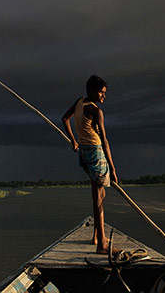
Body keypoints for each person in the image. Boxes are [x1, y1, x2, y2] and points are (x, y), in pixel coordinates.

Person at [62, 75, 118, 254]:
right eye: (102, 92)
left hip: (84, 153)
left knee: (98, 196)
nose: (104, 96)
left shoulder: (79, 102)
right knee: (98, 197)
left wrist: (74, 141)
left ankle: (97, 236)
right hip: (95, 152)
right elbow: (105, 141)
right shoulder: (95, 111)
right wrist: (113, 168)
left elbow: (65, 119)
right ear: (93, 91)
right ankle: (102, 244)